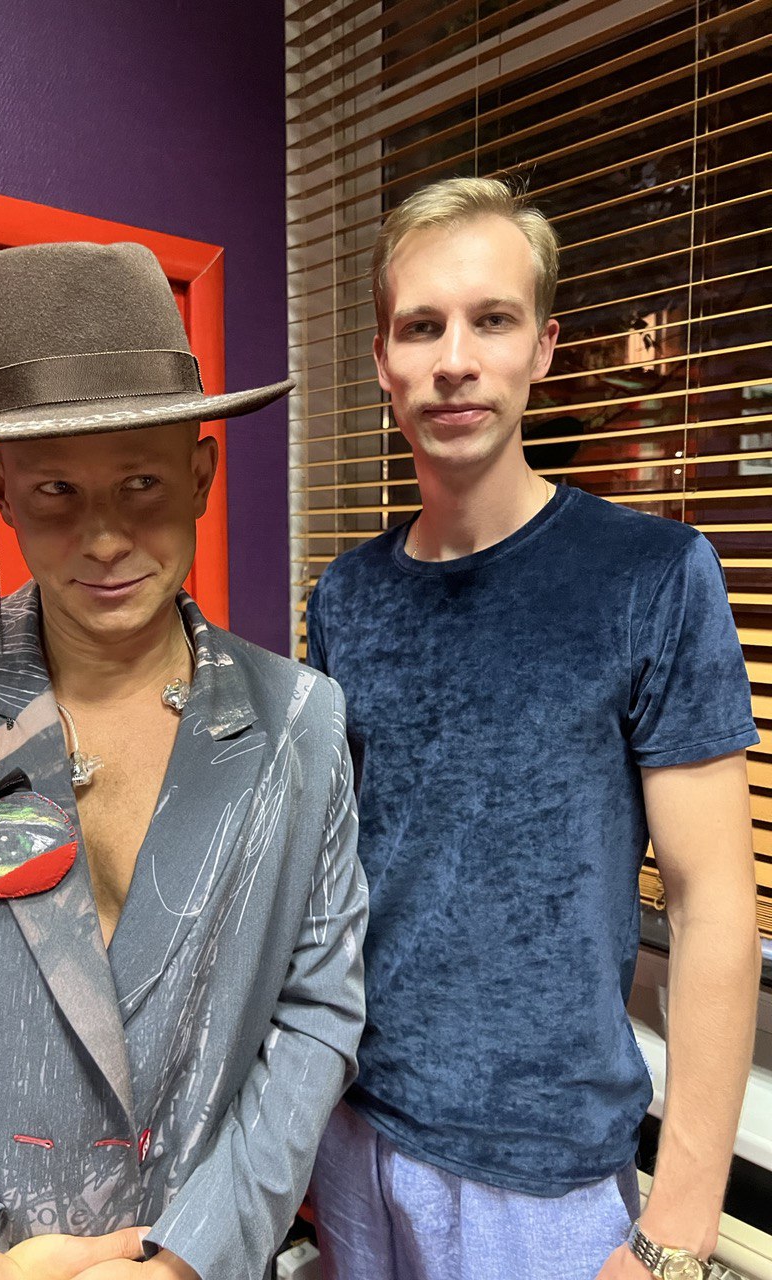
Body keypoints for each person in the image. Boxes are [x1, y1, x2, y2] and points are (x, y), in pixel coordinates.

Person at [0, 241, 367, 1280]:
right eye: (57, 489)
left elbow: (318, 1009)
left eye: (143, 482)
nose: (106, 537)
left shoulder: (300, 722)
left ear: (202, 475)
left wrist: (193, 1256)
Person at [306, 177, 760, 1280]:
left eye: (493, 319)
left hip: (544, 1177)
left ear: (544, 348)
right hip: (355, 1129)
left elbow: (712, 900)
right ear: (383, 360)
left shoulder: (653, 575)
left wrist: (680, 1226)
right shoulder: (346, 598)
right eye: (422, 326)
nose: (455, 359)